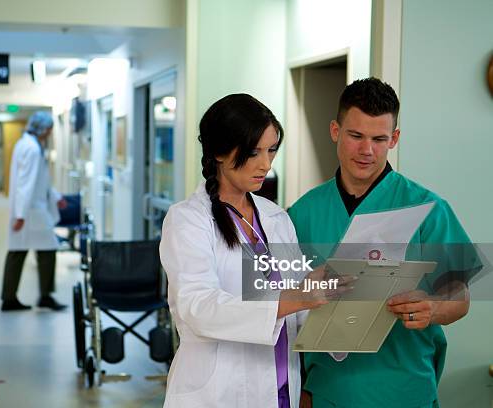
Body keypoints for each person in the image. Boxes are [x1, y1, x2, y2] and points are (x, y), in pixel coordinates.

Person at [288, 78, 476, 407]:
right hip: (326, 391)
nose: (367, 150)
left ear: (395, 139)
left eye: (379, 139)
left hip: (403, 389)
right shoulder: (302, 214)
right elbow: (283, 305)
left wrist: (432, 308)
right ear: (335, 131)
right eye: (356, 136)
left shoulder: (428, 209)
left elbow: (460, 298)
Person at [160, 94, 339, 408]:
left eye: (271, 150)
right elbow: (198, 306)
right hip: (219, 393)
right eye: (253, 151)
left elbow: (298, 307)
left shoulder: (275, 217)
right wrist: (297, 296)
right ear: (218, 151)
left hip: (280, 389)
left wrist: (331, 297)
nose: (266, 164)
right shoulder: (188, 219)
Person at [0, 111, 68, 312]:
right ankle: (43, 296)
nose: (49, 134)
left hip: (31, 208)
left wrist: (55, 197)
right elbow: (25, 183)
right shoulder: (32, 149)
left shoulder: (27, 144)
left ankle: (10, 297)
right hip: (31, 211)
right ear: (42, 129)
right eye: (48, 130)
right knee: (47, 249)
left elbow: (40, 181)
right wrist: (20, 215)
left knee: (19, 251)